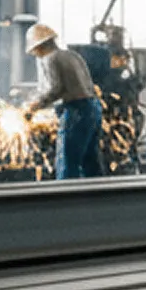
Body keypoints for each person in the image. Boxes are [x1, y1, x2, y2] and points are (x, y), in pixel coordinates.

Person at [25, 23, 105, 181]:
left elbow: (56, 89)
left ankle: (65, 195)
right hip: (93, 108)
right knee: (91, 162)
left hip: (75, 112)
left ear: (38, 46)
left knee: (67, 163)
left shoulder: (50, 58)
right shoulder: (72, 55)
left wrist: (33, 107)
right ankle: (99, 195)